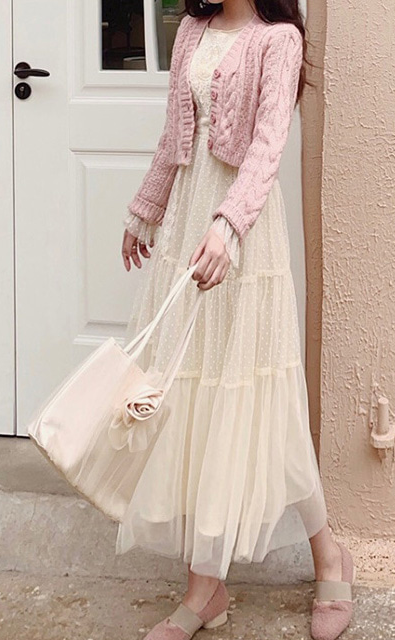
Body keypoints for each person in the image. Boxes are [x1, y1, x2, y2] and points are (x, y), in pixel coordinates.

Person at [120, 1, 355, 639]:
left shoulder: (279, 40)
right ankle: (206, 588)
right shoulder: (191, 31)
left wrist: (228, 227)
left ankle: (328, 555)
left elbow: (268, 147)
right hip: (187, 228)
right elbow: (175, 140)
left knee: (262, 401)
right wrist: (145, 209)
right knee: (189, 400)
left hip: (240, 235)